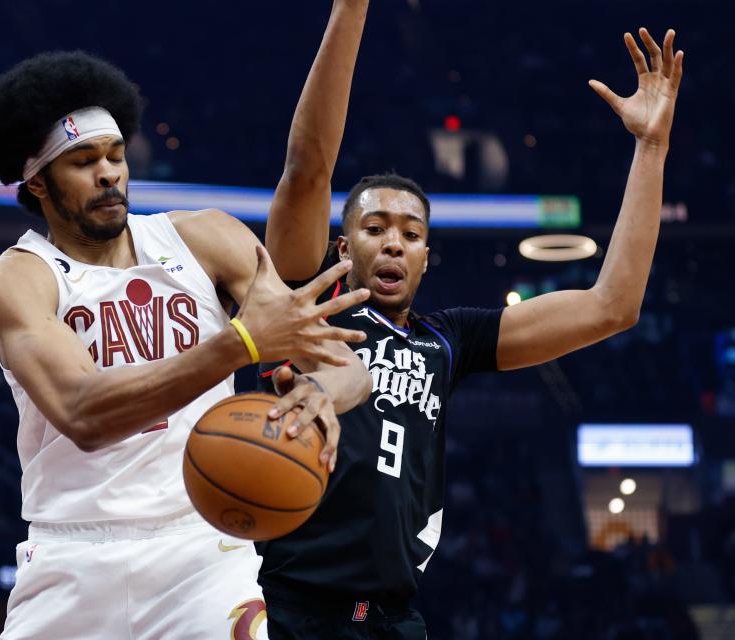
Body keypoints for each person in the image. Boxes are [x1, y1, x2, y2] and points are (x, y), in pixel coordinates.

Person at [258, 20, 685, 639]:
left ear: (427, 258)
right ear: (341, 246)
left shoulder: (447, 341)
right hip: (289, 606)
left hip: (393, 618)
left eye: (411, 233)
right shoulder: (305, 300)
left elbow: (611, 306)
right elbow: (307, 169)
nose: (394, 244)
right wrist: (351, 10)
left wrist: (651, 150)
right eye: (375, 228)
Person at [0, 50, 372, 639]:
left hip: (202, 550)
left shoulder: (204, 238)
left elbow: (348, 370)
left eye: (115, 156)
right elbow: (85, 412)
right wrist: (239, 343)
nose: (109, 173)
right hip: (70, 556)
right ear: (38, 181)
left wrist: (319, 388)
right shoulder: (18, 278)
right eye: (83, 162)